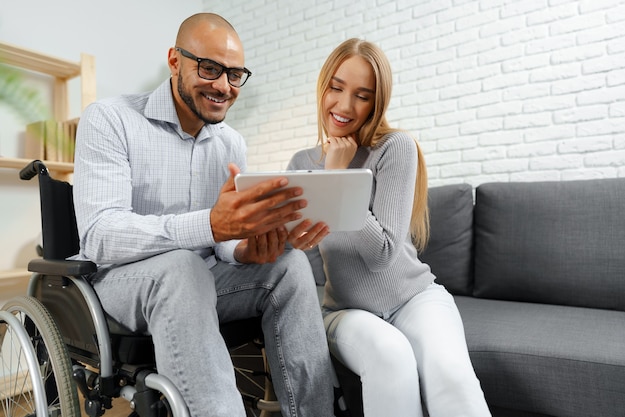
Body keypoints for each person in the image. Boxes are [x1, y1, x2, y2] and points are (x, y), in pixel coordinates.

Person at [72, 13, 335, 417]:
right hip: (121, 282)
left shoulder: (231, 143)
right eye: (210, 68)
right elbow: (100, 235)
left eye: (234, 75)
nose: (223, 86)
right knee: (182, 267)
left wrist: (247, 248)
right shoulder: (111, 119)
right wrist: (210, 224)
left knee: (290, 264)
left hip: (201, 279)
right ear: (175, 61)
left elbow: (224, 243)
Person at [287, 38, 491, 417]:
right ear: (323, 87)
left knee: (452, 375)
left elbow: (382, 254)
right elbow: (299, 257)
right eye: (337, 87)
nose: (345, 106)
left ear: (377, 102)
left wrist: (337, 176)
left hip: (416, 298)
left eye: (362, 96)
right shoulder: (301, 162)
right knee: (390, 356)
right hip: (345, 311)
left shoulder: (396, 147)